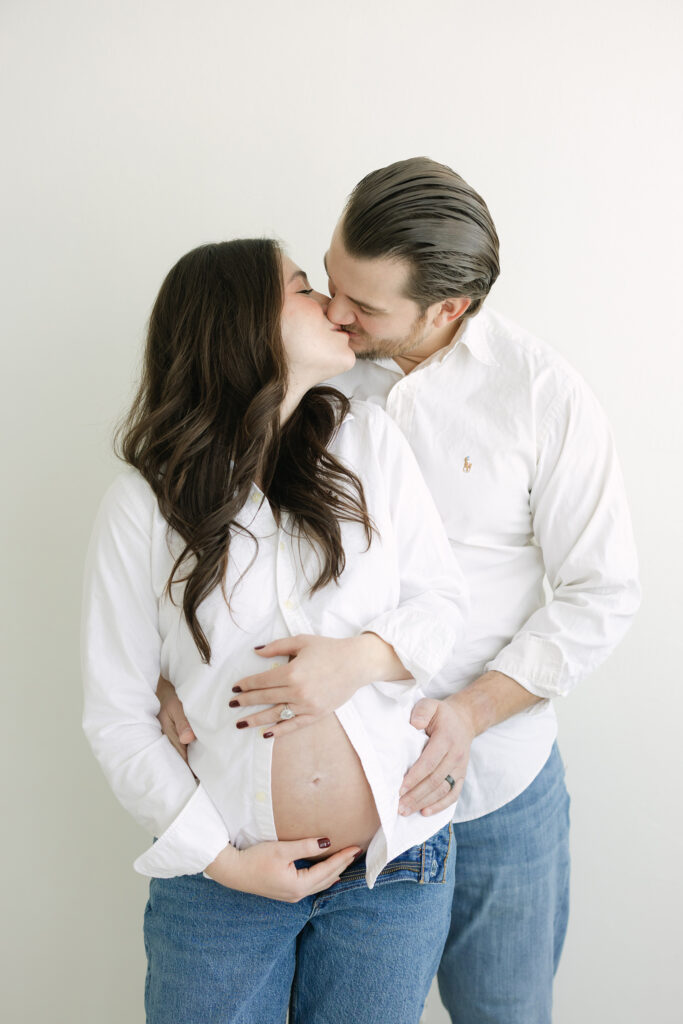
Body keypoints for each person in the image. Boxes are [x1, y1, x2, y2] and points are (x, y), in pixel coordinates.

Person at [158, 160, 641, 1024]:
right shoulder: (311, 366)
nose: (336, 313)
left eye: (365, 306)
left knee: (504, 1010)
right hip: (324, 816)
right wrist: (170, 667)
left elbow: (599, 593)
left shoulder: (541, 396)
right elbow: (212, 533)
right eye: (328, 280)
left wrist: (472, 713)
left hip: (493, 785)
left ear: (446, 309)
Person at [81, 238, 470, 1024]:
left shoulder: (367, 444)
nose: (332, 307)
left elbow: (442, 604)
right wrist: (223, 863)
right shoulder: (145, 506)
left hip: (391, 872)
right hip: (223, 887)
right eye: (300, 289)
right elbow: (117, 715)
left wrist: (361, 659)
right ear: (237, 326)